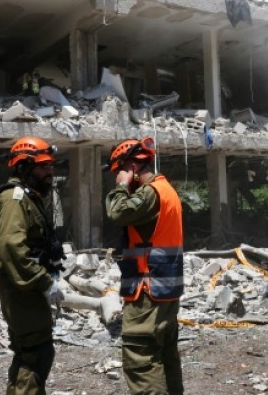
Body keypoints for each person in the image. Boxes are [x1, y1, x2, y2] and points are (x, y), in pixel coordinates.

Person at [0, 136, 65, 395]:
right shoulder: (14, 200)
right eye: (43, 167)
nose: (49, 172)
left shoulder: (27, 197)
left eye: (50, 166)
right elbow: (11, 247)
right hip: (20, 289)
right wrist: (44, 282)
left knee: (30, 352)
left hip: (24, 289)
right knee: (35, 352)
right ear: (23, 167)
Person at [105, 137, 185, 395]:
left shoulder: (150, 194)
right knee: (165, 356)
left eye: (121, 170)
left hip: (147, 292)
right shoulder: (167, 190)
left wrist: (121, 187)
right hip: (166, 290)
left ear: (133, 167)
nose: (118, 176)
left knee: (141, 361)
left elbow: (118, 212)